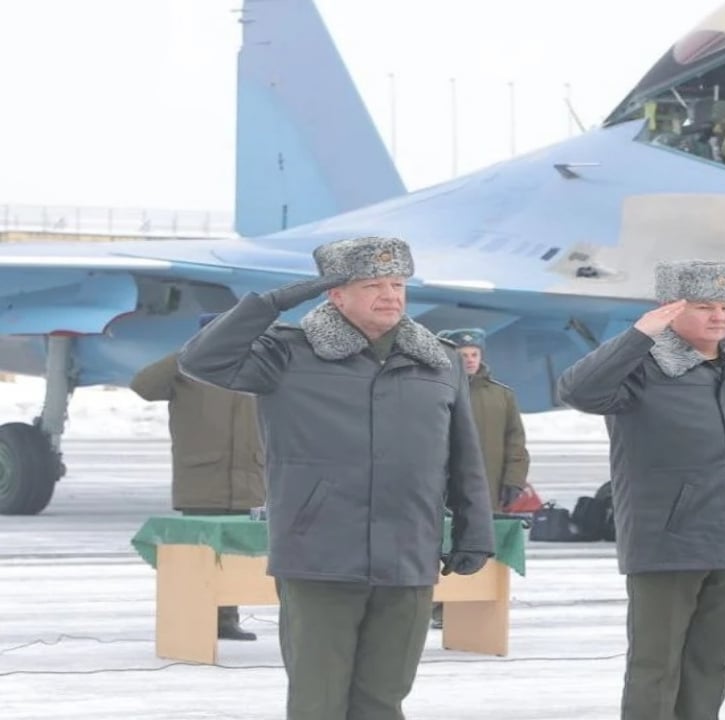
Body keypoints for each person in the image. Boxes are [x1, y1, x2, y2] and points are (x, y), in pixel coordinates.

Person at [177, 236, 495, 720]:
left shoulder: (439, 359)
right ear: (335, 294)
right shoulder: (287, 353)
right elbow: (200, 360)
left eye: (398, 284)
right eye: (373, 284)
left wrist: (475, 530)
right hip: (319, 556)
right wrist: (269, 304)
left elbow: (463, 454)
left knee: (383, 700)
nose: (390, 295)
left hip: (407, 554)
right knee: (317, 702)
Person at [556, 259, 725, 720]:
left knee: (710, 666)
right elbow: (577, 390)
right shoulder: (641, 368)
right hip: (669, 542)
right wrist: (637, 337)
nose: (719, 317)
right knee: (655, 667)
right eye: (704, 306)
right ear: (668, 310)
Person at [129, 313, 265, 642]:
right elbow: (143, 386)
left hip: (250, 478)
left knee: (235, 554)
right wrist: (186, 354)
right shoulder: (187, 371)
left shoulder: (258, 370)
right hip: (203, 479)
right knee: (199, 554)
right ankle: (195, 618)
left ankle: (225, 620)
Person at [432, 327, 530, 628]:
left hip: (489, 488)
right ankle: (440, 608)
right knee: (443, 547)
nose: (470, 360)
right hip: (444, 490)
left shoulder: (502, 395)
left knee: (485, 549)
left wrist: (514, 480)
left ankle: (478, 609)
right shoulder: (437, 390)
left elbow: (516, 442)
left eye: (475, 355)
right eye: (463, 355)